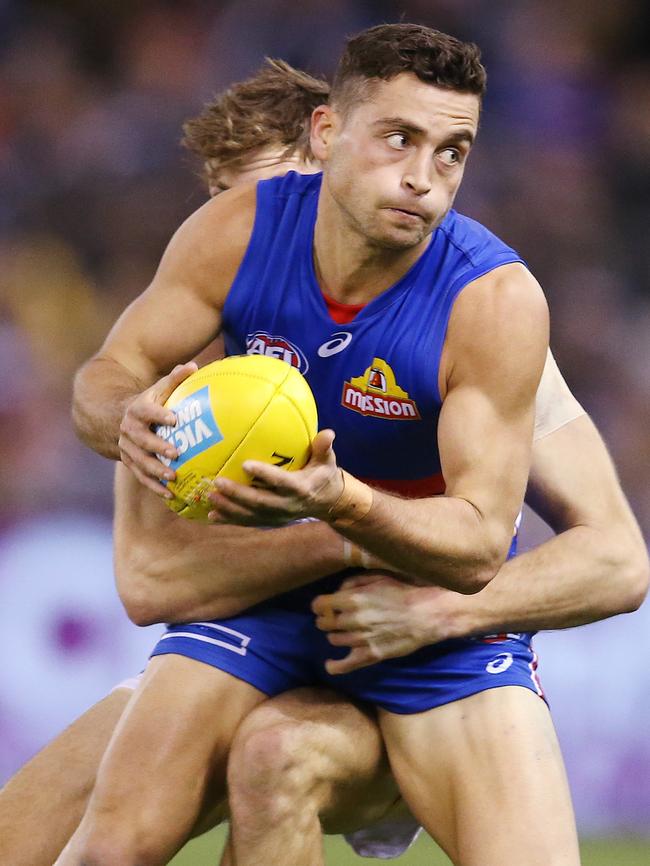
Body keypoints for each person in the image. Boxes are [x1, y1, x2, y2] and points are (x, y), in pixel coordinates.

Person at [6, 36, 641, 866]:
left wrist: (439, 600)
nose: (420, 177)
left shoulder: (486, 313)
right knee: (65, 838)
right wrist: (125, 418)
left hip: (427, 637)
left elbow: (605, 559)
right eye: (399, 142)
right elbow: (150, 582)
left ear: (318, 148)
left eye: (448, 152)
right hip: (262, 631)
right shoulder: (203, 345)